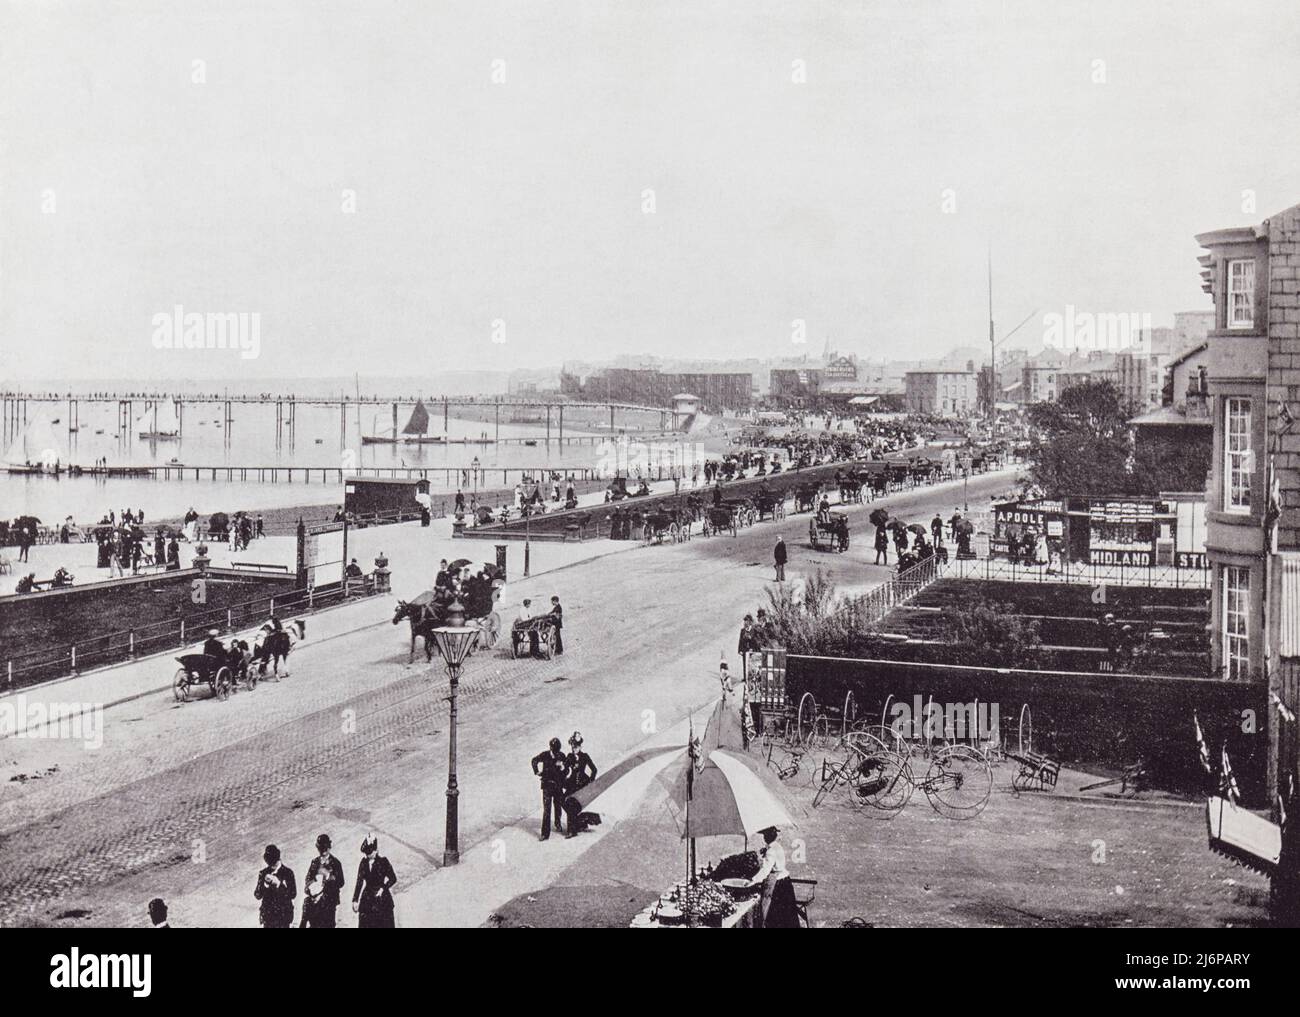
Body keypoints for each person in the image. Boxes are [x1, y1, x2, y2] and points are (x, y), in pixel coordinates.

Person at [748, 826, 800, 928]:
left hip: (778, 885)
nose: (764, 838)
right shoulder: (777, 846)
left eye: (764, 836)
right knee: (788, 915)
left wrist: (753, 880)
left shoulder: (771, 851)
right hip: (786, 882)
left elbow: (765, 870)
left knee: (776, 915)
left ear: (767, 837)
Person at [352, 833, 398, 928]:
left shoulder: (383, 862)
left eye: (370, 853)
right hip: (367, 899)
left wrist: (383, 888)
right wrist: (355, 899)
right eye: (366, 853)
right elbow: (359, 881)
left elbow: (393, 878)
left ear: (375, 850)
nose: (368, 855)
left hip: (382, 900)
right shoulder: (363, 863)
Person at [301, 834, 345, 928]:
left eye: (325, 848)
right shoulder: (314, 862)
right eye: (321, 848)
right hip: (314, 903)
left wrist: (328, 875)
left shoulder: (335, 863)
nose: (323, 851)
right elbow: (308, 879)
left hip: (329, 903)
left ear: (329, 847)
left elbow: (341, 882)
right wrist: (313, 887)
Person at [561, 732, 599, 838]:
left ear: (580, 747)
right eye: (573, 747)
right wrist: (563, 768)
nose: (574, 749)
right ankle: (580, 822)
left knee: (572, 805)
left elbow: (594, 769)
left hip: (582, 784)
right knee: (563, 801)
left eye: (576, 747)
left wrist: (591, 782)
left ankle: (572, 831)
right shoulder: (569, 756)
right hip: (572, 783)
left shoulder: (584, 756)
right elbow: (565, 768)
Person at [531, 737, 568, 840]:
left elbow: (566, 771)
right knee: (547, 810)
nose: (555, 753)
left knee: (558, 806)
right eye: (554, 750)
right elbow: (534, 760)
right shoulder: (545, 755)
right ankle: (545, 833)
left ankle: (557, 823)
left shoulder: (562, 756)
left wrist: (563, 768)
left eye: (557, 750)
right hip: (547, 786)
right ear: (551, 748)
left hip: (558, 786)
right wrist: (537, 771)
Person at [254, 844, 297, 928]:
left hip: (283, 916)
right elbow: (257, 895)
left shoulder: (288, 873)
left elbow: (293, 894)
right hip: (268, 917)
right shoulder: (263, 873)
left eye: (273, 863)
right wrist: (265, 885)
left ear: (278, 859)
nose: (271, 866)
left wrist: (279, 884)